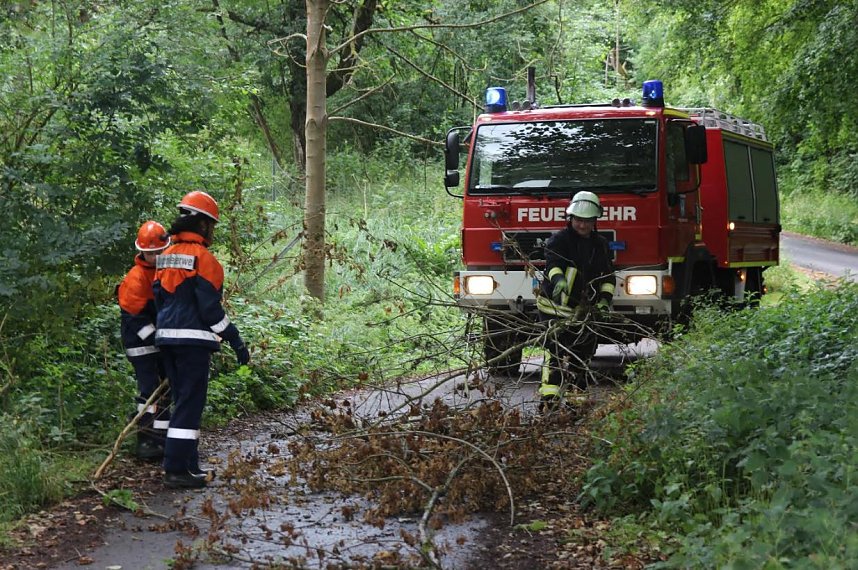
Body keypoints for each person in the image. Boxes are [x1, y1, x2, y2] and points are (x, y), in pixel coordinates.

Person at [153, 190, 250, 489]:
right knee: (190, 405)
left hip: (166, 339)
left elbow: (159, 299)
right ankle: (175, 470)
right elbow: (210, 310)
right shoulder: (204, 259)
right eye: (213, 226)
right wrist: (235, 340)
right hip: (191, 343)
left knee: (181, 402)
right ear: (205, 225)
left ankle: (187, 464)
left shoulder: (165, 255)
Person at [535, 191, 616, 409]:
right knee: (557, 351)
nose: (582, 225)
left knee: (582, 353)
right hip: (554, 307)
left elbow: (608, 277)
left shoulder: (600, 245)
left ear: (594, 221)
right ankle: (548, 401)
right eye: (578, 220)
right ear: (570, 218)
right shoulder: (558, 240)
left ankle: (575, 403)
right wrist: (559, 280)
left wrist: (605, 301)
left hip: (584, 309)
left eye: (587, 221)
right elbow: (552, 265)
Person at [117, 221, 172, 460]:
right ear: (142, 252)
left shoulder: (167, 271)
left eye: (158, 252)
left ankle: (162, 440)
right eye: (150, 253)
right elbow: (133, 317)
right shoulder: (136, 278)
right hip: (141, 345)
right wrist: (156, 338)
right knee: (149, 391)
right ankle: (146, 441)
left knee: (165, 391)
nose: (155, 257)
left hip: (160, 342)